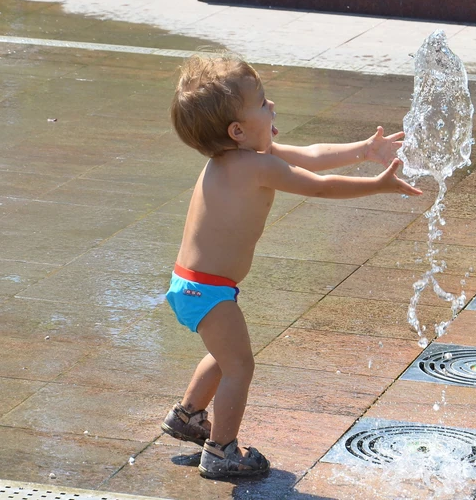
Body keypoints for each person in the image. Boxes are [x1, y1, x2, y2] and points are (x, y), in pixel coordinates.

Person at [159, 52, 421, 478]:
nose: (273, 106)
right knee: (240, 365)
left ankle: (188, 416)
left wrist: (365, 149)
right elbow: (317, 185)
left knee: (226, 355)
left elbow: (313, 155)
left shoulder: (239, 159)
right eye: (262, 102)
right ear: (237, 129)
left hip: (195, 285)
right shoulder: (255, 166)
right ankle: (221, 450)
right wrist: (376, 185)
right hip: (206, 289)